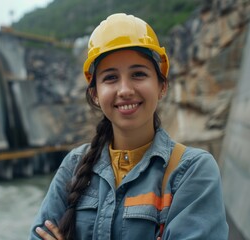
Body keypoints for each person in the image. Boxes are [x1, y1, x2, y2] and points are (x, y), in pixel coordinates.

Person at [29, 13, 228, 240]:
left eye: (138, 74)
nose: (124, 90)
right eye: (111, 78)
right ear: (95, 94)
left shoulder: (192, 171)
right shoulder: (73, 166)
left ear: (162, 86)